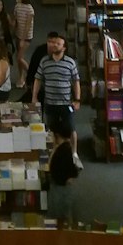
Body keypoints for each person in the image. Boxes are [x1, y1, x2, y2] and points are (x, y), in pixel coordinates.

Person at [31, 32, 82, 165]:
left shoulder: (70, 63)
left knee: (71, 129)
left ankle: (74, 153)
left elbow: (76, 82)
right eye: (53, 43)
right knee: (52, 130)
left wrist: (77, 99)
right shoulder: (44, 61)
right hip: (50, 102)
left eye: (58, 44)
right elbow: (38, 79)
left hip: (66, 103)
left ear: (64, 48)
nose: (54, 45)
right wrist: (34, 96)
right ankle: (54, 153)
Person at [46, 110, 78, 225]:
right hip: (60, 186)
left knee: (60, 213)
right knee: (61, 212)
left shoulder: (64, 151)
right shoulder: (64, 148)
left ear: (57, 136)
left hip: (61, 188)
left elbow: (72, 172)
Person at [12, 0, 35, 85]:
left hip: (26, 37)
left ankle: (32, 75)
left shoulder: (29, 9)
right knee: (19, 58)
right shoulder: (17, 6)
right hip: (18, 35)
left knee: (19, 58)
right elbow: (15, 21)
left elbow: (28, 25)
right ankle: (21, 77)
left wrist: (23, 39)